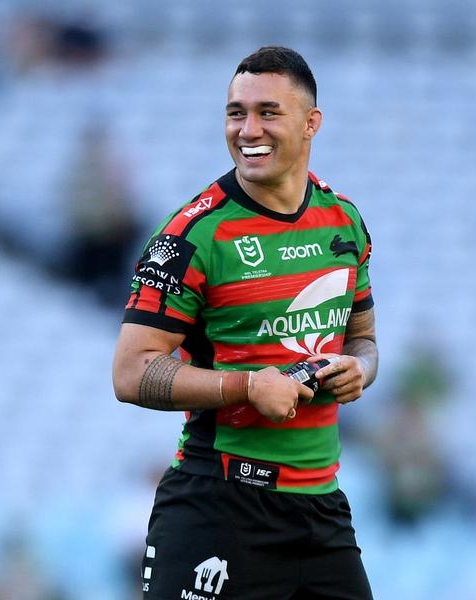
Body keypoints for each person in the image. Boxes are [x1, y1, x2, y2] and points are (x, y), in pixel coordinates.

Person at [113, 46, 377, 599]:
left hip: (322, 512)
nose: (248, 129)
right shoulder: (191, 235)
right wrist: (248, 387)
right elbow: (130, 373)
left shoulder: (344, 221)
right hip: (219, 505)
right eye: (236, 113)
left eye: (267, 113)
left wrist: (361, 370)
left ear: (311, 123)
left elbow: (363, 340)